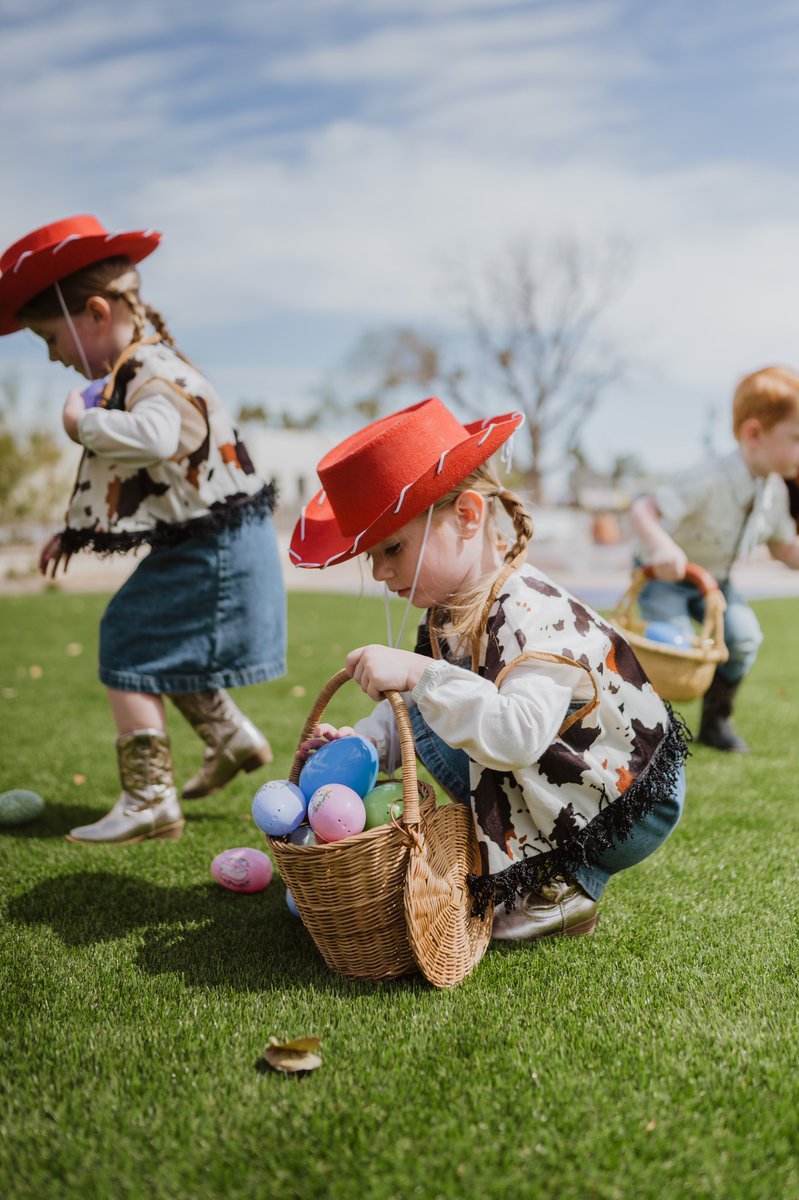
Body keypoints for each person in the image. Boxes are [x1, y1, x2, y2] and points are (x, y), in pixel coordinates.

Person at [291, 398, 689, 941]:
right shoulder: (449, 613)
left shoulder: (530, 609)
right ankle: (546, 866)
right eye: (372, 558)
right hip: (574, 790)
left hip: (624, 806)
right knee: (439, 702)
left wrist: (416, 673)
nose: (382, 572)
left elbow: (519, 735)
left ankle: (567, 880)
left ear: (468, 516)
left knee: (445, 699)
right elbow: (417, 715)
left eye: (393, 548)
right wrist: (359, 748)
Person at [0, 214, 286, 844]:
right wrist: (71, 532)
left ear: (96, 315)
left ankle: (149, 799)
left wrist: (80, 423)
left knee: (128, 639)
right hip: (215, 541)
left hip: (214, 548)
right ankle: (230, 737)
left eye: (52, 339)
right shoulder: (146, 365)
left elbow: (155, 438)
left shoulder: (152, 372)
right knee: (158, 645)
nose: (54, 357)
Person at [629, 366, 799, 753]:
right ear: (753, 433)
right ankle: (648, 734)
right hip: (665, 576)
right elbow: (643, 510)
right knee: (672, 649)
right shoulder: (707, 478)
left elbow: (783, 549)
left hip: (715, 581)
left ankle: (716, 721)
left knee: (744, 637)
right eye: (796, 438)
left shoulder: (773, 490)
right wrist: (661, 547)